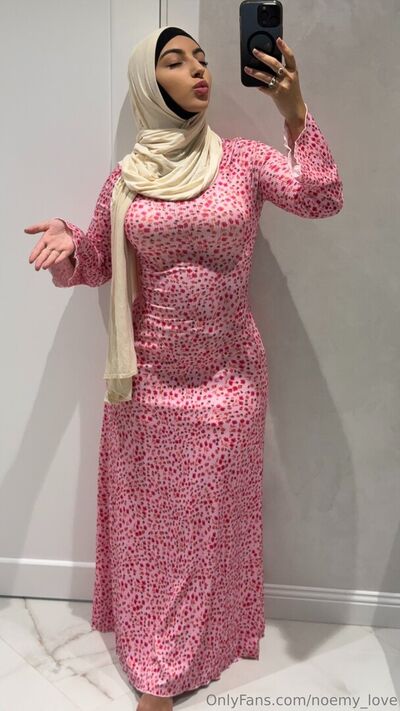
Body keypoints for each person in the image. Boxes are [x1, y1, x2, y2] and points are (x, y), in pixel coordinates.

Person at [24, 25, 343, 711]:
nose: (197, 69)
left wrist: (294, 110)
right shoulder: (127, 180)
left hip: (229, 376)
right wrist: (70, 244)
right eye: (175, 61)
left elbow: (322, 196)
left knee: (208, 525)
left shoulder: (243, 161)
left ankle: (196, 648)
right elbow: (100, 261)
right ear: (149, 84)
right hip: (146, 380)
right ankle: (158, 667)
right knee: (153, 532)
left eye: (200, 58)